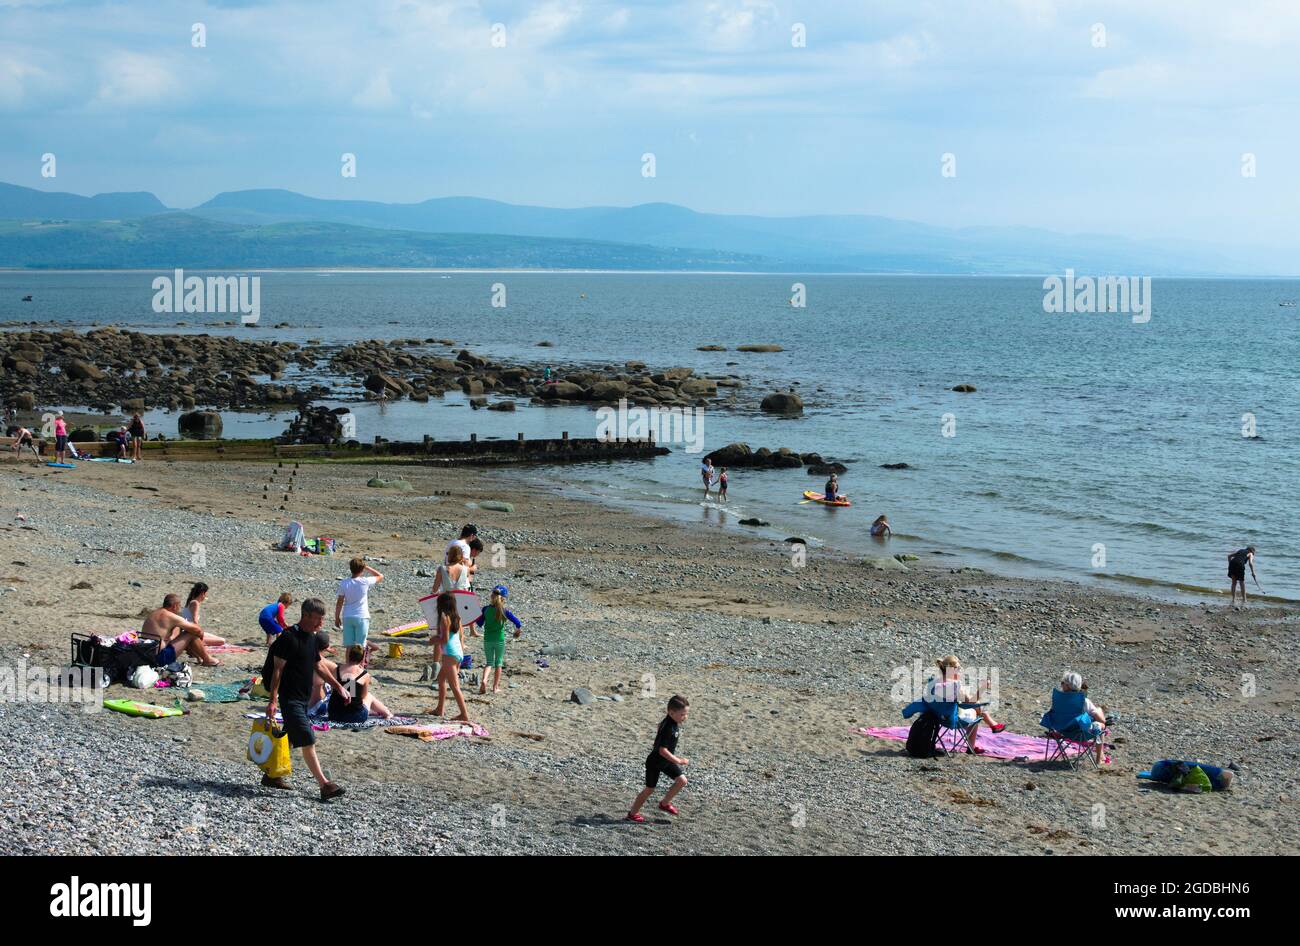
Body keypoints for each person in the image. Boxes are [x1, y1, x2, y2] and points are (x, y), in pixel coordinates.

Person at [263, 599, 349, 800]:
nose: (321, 623)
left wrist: (338, 687)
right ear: (307, 615)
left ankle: (271, 776)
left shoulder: (311, 637)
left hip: (302, 699)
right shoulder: (288, 638)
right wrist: (272, 701)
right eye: (318, 619)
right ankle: (325, 785)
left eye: (322, 619)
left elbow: (318, 666)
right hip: (289, 697)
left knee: (291, 738)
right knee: (308, 738)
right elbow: (277, 670)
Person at [627, 695, 690, 823]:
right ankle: (632, 813)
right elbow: (662, 750)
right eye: (682, 714)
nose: (685, 717)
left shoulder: (670, 722)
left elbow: (659, 735)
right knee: (649, 789)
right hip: (655, 762)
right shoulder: (668, 726)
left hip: (665, 761)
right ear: (671, 712)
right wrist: (678, 760)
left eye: (686, 714)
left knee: (682, 781)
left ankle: (664, 803)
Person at [926, 655, 1004, 754]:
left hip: (938, 716)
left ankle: (994, 725)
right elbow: (972, 701)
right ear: (951, 668)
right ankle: (972, 746)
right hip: (953, 719)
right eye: (958, 668)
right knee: (977, 711)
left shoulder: (935, 681)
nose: (960, 670)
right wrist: (983, 687)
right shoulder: (955, 685)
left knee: (976, 707)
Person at [140, 594, 219, 667]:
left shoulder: (154, 613)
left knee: (181, 630)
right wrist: (200, 637)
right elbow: (198, 630)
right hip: (159, 658)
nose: (179, 609)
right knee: (191, 633)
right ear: (175, 606)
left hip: (144, 654)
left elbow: (171, 637)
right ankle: (207, 659)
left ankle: (198, 656)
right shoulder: (171, 616)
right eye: (179, 606)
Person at [1050, 671, 1109, 766]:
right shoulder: (1084, 701)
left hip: (1062, 730)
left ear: (1068, 686)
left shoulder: (1058, 699)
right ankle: (1099, 759)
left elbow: (1052, 713)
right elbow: (1102, 720)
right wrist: (1099, 713)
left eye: (1062, 683)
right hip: (1080, 733)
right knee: (1100, 725)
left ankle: (1100, 757)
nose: (1061, 685)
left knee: (1092, 718)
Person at [471, 585, 521, 695]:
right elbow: (518, 622)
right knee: (498, 663)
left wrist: (476, 614)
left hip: (487, 640)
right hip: (499, 640)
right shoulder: (505, 611)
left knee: (489, 662)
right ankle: (495, 687)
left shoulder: (485, 609)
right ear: (503, 598)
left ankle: (484, 680)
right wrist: (517, 630)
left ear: (492, 596)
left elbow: (479, 624)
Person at [325, 645, 393, 723]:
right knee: (369, 696)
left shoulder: (336, 669)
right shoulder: (364, 675)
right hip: (355, 717)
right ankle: (387, 713)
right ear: (362, 658)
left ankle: (378, 711)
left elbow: (334, 689)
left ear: (349, 655)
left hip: (334, 715)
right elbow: (363, 696)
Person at [431, 591, 470, 722]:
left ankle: (464, 714)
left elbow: (445, 640)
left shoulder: (444, 617)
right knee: (441, 679)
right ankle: (439, 709)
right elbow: (460, 637)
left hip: (450, 654)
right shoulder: (457, 617)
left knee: (454, 686)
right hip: (458, 653)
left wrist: (434, 640)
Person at [335, 558, 383, 652]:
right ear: (362, 569)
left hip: (347, 616)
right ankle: (359, 666)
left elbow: (339, 602)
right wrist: (367, 567)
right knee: (360, 645)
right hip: (361, 616)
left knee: (349, 646)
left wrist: (337, 617)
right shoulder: (365, 581)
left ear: (350, 568)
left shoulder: (344, 583)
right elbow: (380, 576)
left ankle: (348, 665)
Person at [181, 582, 227, 646]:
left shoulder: (191, 601)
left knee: (218, 638)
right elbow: (195, 622)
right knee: (222, 641)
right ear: (203, 593)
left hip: (187, 631)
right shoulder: (195, 603)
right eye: (206, 594)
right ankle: (193, 643)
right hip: (190, 633)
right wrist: (200, 634)